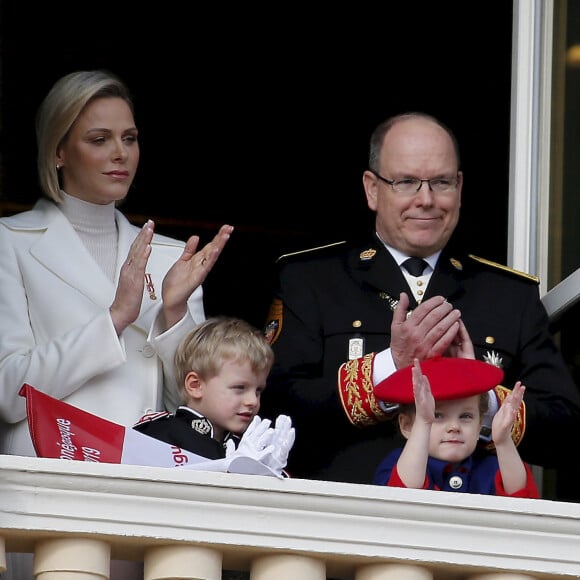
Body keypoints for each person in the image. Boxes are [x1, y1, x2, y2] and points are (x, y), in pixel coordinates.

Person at [261, 111, 580, 485]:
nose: (426, 199)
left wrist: (479, 399)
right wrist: (390, 366)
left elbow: (568, 430)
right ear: (372, 189)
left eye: (441, 182)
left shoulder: (509, 295)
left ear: (459, 188)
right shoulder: (311, 279)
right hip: (344, 523)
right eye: (407, 182)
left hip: (472, 530)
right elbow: (268, 412)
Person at [0, 70, 232, 580]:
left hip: (147, 489)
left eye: (129, 139)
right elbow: (7, 389)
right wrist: (116, 320)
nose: (120, 153)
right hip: (50, 484)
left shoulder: (172, 257)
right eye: (99, 139)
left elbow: (201, 406)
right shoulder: (10, 243)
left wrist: (172, 314)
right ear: (58, 151)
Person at [134, 316, 294, 477]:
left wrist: (271, 475)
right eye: (239, 388)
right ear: (195, 385)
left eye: (258, 391)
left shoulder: (252, 449)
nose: (253, 401)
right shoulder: (159, 433)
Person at [372, 357, 539, 498]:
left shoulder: (490, 466)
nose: (454, 427)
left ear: (480, 424)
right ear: (407, 425)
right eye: (437, 416)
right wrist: (423, 423)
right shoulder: (397, 462)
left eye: (466, 416)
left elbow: (522, 501)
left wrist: (503, 441)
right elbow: (404, 496)